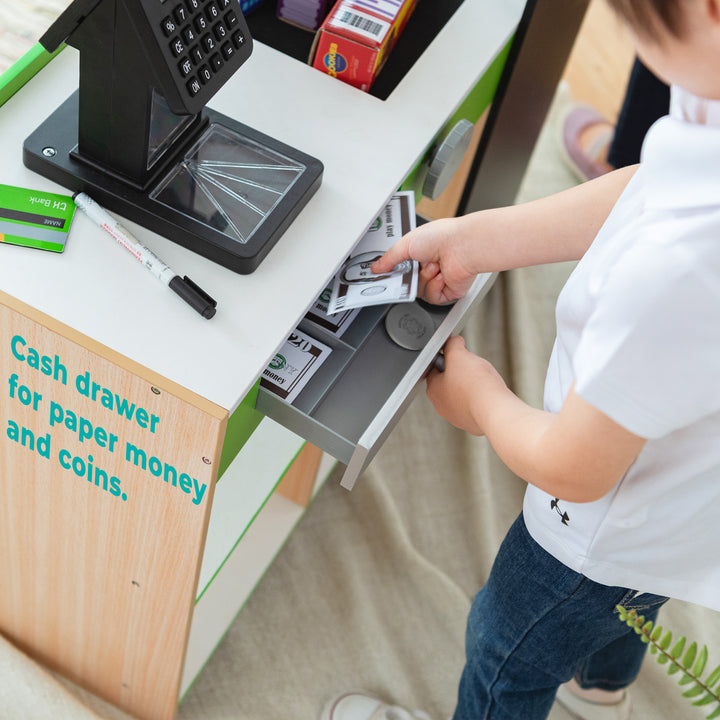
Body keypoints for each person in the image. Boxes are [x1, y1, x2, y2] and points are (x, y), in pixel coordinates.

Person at [322, 0, 720, 718]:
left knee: (509, 646)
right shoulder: (711, 96)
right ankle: (601, 689)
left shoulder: (682, 271)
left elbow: (576, 468)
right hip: (683, 502)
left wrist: (479, 400)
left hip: (598, 533)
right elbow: (650, 184)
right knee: (629, 604)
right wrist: (481, 239)